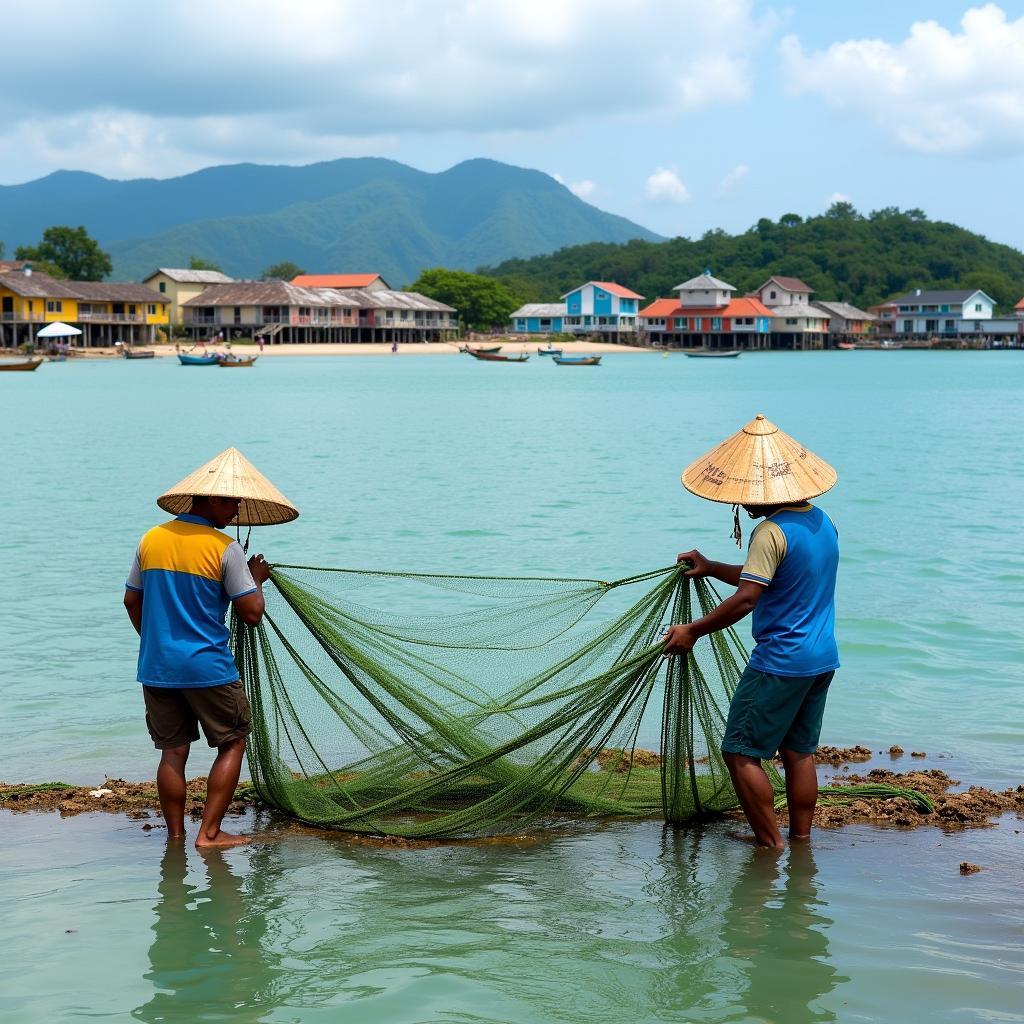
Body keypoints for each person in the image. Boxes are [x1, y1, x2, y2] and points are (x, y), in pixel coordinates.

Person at [663, 414, 839, 850]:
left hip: (780, 662)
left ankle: (769, 845)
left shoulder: (769, 531)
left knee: (740, 751)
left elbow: (747, 599)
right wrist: (712, 567)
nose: (742, 503)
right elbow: (771, 575)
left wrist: (692, 631)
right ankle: (799, 842)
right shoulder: (822, 522)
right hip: (821, 660)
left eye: (746, 495)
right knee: (799, 752)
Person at [123, 447, 299, 848]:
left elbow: (132, 600)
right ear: (213, 499)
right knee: (234, 740)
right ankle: (210, 834)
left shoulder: (150, 539)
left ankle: (175, 837)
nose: (236, 509)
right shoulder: (224, 548)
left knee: (172, 752)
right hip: (208, 668)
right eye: (232, 501)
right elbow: (251, 612)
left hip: (157, 667)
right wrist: (255, 578)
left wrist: (156, 644)